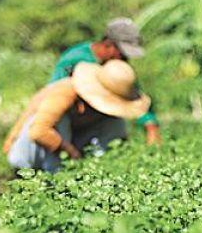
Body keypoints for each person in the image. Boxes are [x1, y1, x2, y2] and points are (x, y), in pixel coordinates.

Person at [4, 60, 150, 173]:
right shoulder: (65, 91)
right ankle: (55, 178)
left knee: (116, 124)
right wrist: (71, 153)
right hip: (27, 153)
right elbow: (38, 132)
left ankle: (95, 171)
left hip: (72, 148)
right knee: (61, 121)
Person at [50, 17, 161, 146]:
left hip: (93, 125)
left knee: (116, 123)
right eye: (123, 53)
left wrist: (150, 125)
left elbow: (133, 96)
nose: (125, 59)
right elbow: (52, 95)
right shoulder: (75, 59)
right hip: (66, 123)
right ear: (109, 44)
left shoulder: (117, 67)